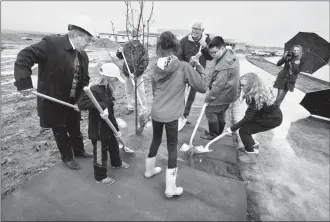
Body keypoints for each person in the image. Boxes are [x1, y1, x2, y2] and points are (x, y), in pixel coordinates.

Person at [13, 15, 94, 170]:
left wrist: (81, 100)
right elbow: (25, 56)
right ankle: (67, 157)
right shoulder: (51, 44)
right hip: (54, 99)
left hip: (73, 100)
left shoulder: (83, 55)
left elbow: (85, 79)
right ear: (77, 35)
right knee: (61, 129)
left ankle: (79, 150)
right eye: (87, 40)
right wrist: (24, 82)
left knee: (75, 127)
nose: (88, 44)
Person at [144, 31, 208, 198]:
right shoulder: (183, 66)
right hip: (172, 115)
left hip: (157, 112)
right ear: (176, 47)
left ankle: (149, 171)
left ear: (160, 47)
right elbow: (202, 87)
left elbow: (154, 92)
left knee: (156, 140)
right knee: (172, 147)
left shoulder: (155, 68)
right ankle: (170, 189)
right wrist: (200, 69)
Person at [77, 63, 129, 184]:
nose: (116, 81)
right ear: (109, 77)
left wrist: (116, 128)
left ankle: (117, 163)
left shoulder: (107, 89)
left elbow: (110, 111)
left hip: (109, 126)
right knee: (100, 152)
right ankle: (100, 176)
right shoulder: (94, 89)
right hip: (98, 129)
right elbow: (81, 104)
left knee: (114, 146)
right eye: (115, 78)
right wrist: (101, 106)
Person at [226, 72, 283, 163]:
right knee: (246, 128)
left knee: (244, 131)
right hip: (264, 116)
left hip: (271, 120)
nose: (241, 88)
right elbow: (250, 114)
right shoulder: (255, 91)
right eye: (240, 85)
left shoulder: (256, 97)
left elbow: (248, 117)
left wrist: (232, 128)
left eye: (243, 85)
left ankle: (251, 156)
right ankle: (253, 145)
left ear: (251, 85)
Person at [200, 36, 240, 140]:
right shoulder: (229, 54)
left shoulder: (224, 65)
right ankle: (218, 133)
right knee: (220, 112)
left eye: (214, 52)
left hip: (225, 92)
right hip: (231, 92)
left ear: (222, 48)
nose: (212, 55)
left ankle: (213, 135)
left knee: (210, 111)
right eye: (211, 53)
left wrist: (208, 98)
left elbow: (218, 86)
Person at [177, 21, 213, 130]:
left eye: (197, 29)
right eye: (193, 29)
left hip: (197, 72)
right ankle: (177, 115)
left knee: (191, 95)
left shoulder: (206, 41)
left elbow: (210, 57)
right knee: (181, 94)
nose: (194, 31)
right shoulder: (184, 41)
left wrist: (205, 46)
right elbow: (179, 57)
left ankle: (185, 115)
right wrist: (187, 64)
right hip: (185, 71)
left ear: (202, 31)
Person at [116, 31, 149, 116]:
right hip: (127, 74)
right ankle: (130, 107)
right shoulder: (127, 46)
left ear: (140, 37)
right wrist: (119, 52)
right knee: (128, 92)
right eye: (134, 37)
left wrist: (136, 73)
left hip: (138, 75)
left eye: (137, 37)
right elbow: (120, 57)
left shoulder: (143, 48)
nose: (135, 39)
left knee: (141, 92)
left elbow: (144, 62)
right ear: (131, 37)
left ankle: (144, 109)